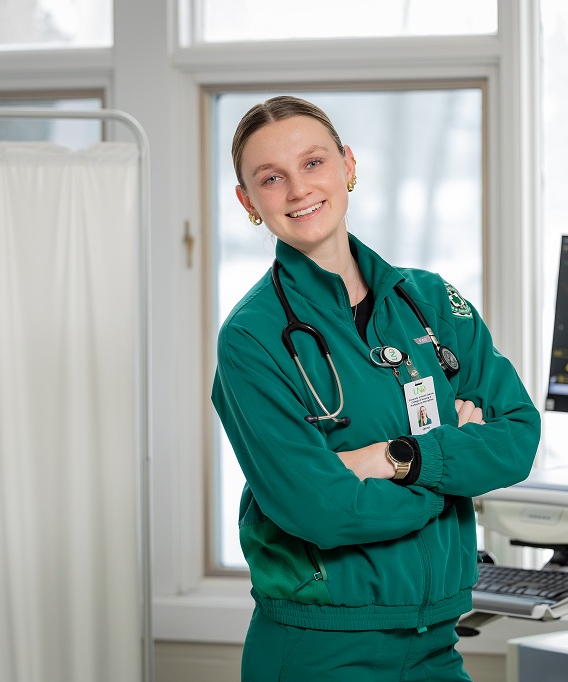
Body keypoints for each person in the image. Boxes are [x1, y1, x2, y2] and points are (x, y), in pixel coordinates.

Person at [211, 95, 541, 681]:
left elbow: (517, 435)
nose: (297, 190)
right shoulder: (251, 338)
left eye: (313, 163)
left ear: (348, 166)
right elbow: (322, 511)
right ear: (249, 202)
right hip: (321, 652)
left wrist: (396, 460)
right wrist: (451, 476)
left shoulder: (430, 302)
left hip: (435, 641)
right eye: (270, 178)